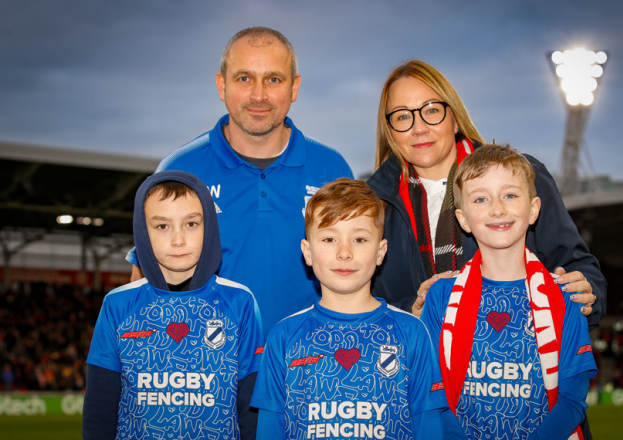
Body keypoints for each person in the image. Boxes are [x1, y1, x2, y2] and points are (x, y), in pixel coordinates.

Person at [127, 27, 353, 336]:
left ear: (294, 87)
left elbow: (358, 275)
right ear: (221, 85)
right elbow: (143, 281)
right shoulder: (179, 169)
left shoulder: (331, 170)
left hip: (309, 369)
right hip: (211, 371)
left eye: (273, 79)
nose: (258, 95)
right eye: (244, 78)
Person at [366, 60, 606, 330]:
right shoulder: (372, 204)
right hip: (420, 367)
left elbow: (579, 269)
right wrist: (413, 311)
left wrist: (587, 294)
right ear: (390, 132)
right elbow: (362, 303)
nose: (419, 127)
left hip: (516, 359)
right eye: (402, 116)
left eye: (432, 110)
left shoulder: (522, 175)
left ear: (455, 118)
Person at [421, 144, 597, 440]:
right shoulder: (441, 297)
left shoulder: (565, 295)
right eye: (481, 199)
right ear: (463, 220)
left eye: (510, 195)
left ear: (533, 209)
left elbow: (572, 400)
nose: (497, 208)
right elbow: (430, 394)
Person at [251, 178, 449, 440]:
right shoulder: (283, 337)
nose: (344, 252)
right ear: (307, 252)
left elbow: (429, 427)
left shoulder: (412, 332)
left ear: (380, 252)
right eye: (330, 238)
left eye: (359, 239)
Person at [83, 171, 264, 440]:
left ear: (210, 227)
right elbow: (100, 406)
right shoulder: (118, 304)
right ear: (143, 232)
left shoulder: (240, 302)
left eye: (191, 224)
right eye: (162, 226)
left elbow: (251, 406)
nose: (178, 240)